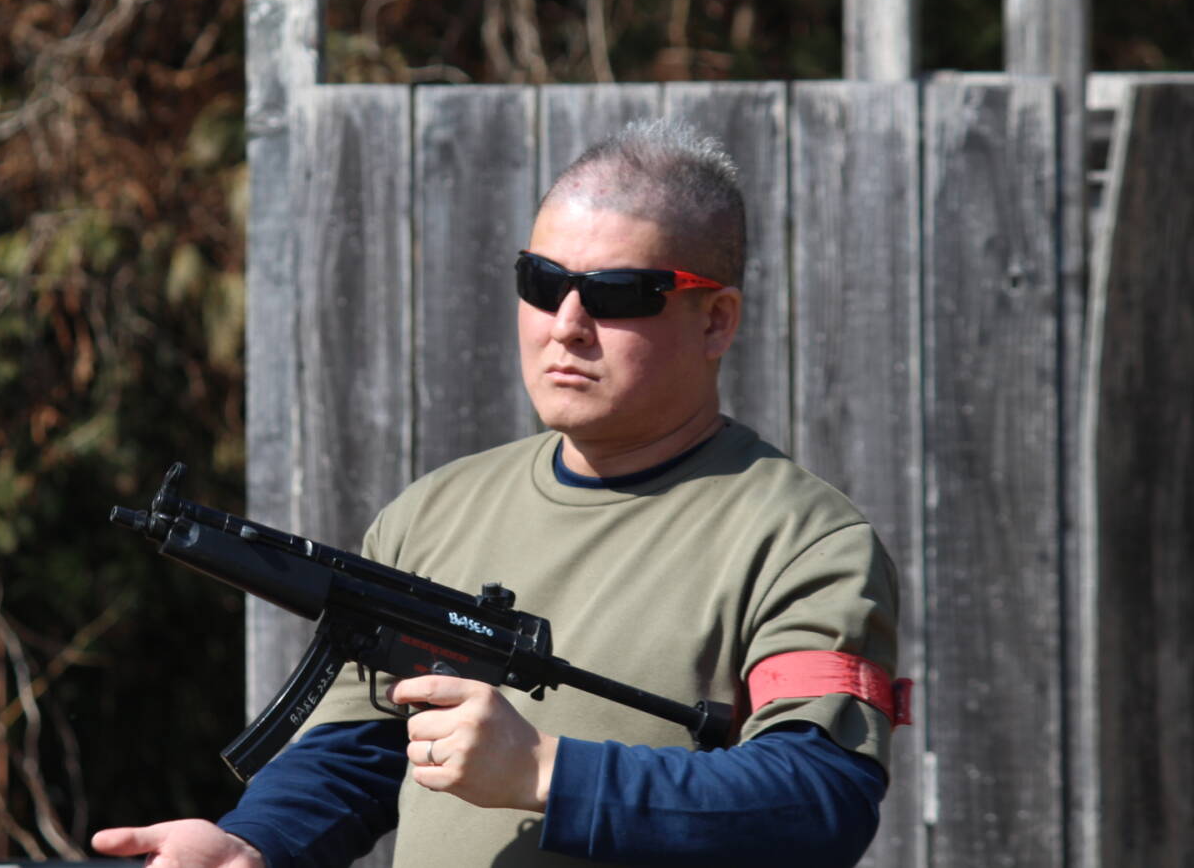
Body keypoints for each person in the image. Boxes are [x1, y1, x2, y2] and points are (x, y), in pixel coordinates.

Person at [93, 119, 904, 867]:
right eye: (543, 281)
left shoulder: (804, 541)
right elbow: (363, 744)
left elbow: (817, 795)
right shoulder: (432, 513)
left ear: (716, 320)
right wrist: (252, 843)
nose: (567, 323)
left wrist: (549, 771)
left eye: (619, 293)